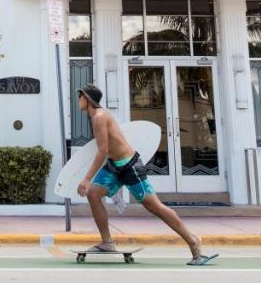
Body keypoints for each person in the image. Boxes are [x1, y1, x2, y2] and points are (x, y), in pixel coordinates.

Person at [74, 83, 217, 266]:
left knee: (154, 206)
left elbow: (103, 150)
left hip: (129, 166)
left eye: (80, 97)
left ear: (87, 98)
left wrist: (86, 179)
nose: (78, 100)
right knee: (94, 194)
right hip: (114, 166)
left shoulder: (99, 117)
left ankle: (193, 241)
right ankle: (107, 242)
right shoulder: (95, 117)